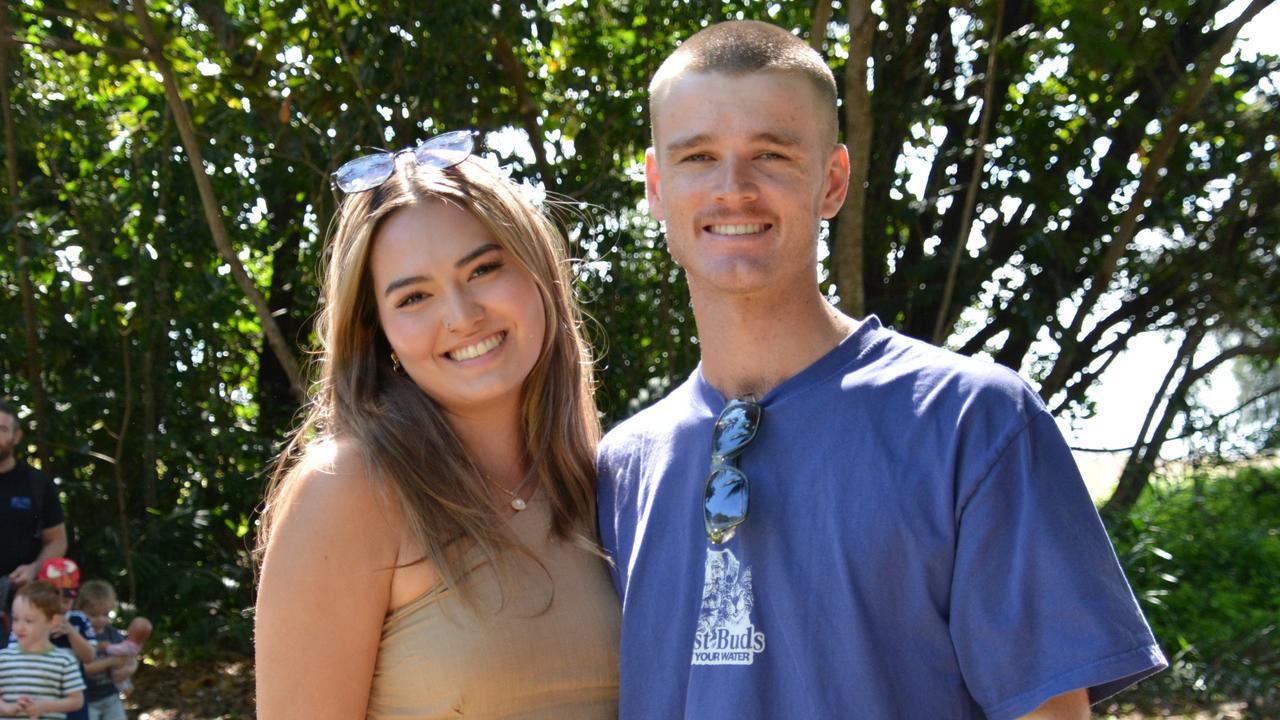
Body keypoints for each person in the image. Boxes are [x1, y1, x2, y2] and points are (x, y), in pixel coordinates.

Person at [596, 20, 1168, 720]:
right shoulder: (621, 469)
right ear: (656, 187)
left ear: (832, 181)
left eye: (771, 155)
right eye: (698, 158)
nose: (733, 187)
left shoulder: (969, 421)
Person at [254, 130, 619, 719]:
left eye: (483, 270)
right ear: (380, 334)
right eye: (414, 298)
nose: (461, 316)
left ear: (539, 271)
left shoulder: (608, 481)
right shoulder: (347, 491)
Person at [0, 400, 68, 613]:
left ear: (16, 436)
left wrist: (34, 569)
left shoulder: (37, 484)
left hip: (19, 604)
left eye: (2, 429)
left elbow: (58, 540)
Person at [0, 581, 85, 719]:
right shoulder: (3, 658)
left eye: (28, 620)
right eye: (15, 619)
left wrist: (45, 706)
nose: (19, 627)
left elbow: (77, 700)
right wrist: (8, 709)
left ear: (53, 621)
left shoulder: (64, 661)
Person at [76, 580, 144, 720]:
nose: (101, 620)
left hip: (111, 695)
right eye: (94, 615)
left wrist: (128, 674)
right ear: (79, 610)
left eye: (106, 615)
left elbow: (127, 657)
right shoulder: (78, 636)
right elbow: (84, 669)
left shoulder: (111, 633)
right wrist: (111, 661)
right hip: (86, 698)